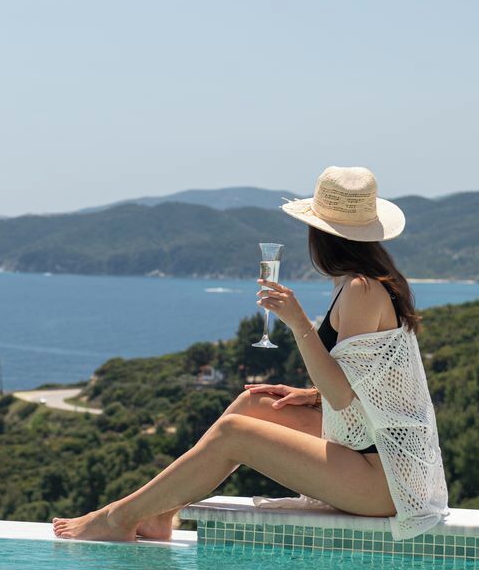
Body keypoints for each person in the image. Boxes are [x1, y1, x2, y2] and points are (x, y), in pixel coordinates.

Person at [52, 165, 451, 543]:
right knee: (253, 403)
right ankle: (159, 514)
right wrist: (310, 395)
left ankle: (118, 518)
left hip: (388, 481)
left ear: (320, 234)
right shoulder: (357, 282)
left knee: (234, 434)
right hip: (372, 451)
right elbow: (370, 381)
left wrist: (297, 324)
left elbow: (344, 395)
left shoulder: (362, 289)